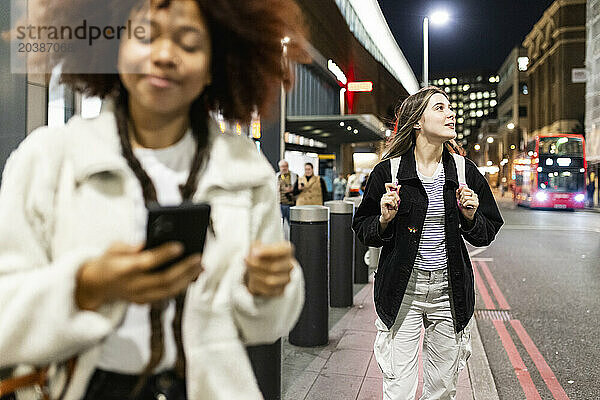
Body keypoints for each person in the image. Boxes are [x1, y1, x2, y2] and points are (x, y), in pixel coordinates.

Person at [0, 1, 306, 399]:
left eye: (189, 43)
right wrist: (84, 287)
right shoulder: (48, 159)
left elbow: (268, 326)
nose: (163, 55)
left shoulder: (244, 170)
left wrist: (267, 287)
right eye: (144, 35)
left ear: (215, 63)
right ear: (114, 44)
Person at [353, 87, 503, 400]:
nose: (451, 114)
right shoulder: (389, 171)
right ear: (418, 122)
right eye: (440, 108)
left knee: (443, 390)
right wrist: (383, 220)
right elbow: (363, 228)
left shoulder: (464, 171)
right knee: (399, 389)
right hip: (401, 289)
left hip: (449, 292)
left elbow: (487, 230)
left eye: (450, 108)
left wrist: (471, 216)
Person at [276, 159, 298, 224]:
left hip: (290, 204)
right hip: (280, 204)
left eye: (285, 166)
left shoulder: (294, 176)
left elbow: (298, 190)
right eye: (282, 166)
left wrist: (292, 190)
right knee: (279, 224)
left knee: (291, 224)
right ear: (279, 167)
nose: (284, 168)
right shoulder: (277, 176)